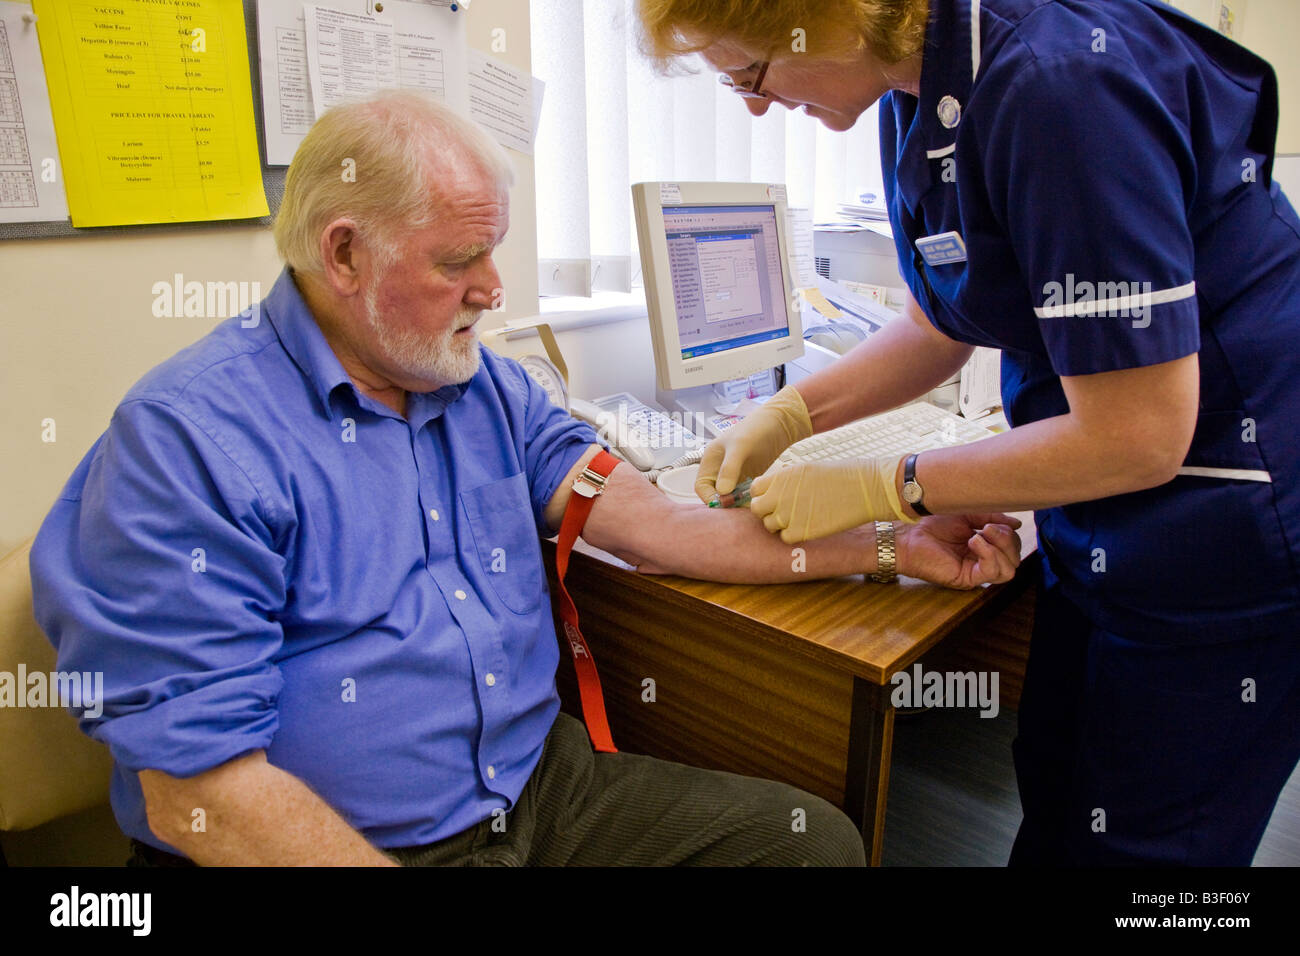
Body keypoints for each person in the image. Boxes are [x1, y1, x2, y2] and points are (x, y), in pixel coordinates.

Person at [29, 88, 1024, 867]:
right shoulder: (188, 442)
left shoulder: (480, 383)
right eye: (462, 258)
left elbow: (656, 526)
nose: (494, 289)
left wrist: (887, 542)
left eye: (495, 249)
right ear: (345, 254)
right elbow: (200, 792)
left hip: (544, 795)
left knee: (809, 843)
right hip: (347, 841)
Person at [636, 0, 1300, 865]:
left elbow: (1139, 435)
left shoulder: (1060, 88)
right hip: (1103, 516)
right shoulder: (916, 91)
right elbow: (941, 319)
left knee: (1153, 846)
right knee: (1061, 781)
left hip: (1232, 523)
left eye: (753, 74)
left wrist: (892, 486)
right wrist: (795, 413)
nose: (755, 107)